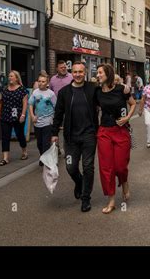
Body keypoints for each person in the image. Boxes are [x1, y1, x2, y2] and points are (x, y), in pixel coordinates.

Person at [51, 62, 98, 213]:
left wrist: (123, 89)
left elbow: (107, 96)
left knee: (88, 166)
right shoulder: (65, 92)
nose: (78, 74)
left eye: (81, 72)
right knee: (70, 167)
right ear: (72, 73)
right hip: (71, 138)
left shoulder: (92, 89)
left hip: (89, 135)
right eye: (75, 72)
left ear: (85, 73)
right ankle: (79, 182)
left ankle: (85, 199)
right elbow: (58, 114)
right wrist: (54, 134)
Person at [95, 64, 136, 214]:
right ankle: (111, 200)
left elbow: (132, 104)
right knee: (106, 167)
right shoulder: (97, 91)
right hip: (104, 131)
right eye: (97, 73)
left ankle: (124, 181)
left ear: (108, 74)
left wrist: (127, 117)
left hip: (121, 131)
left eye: (100, 72)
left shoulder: (121, 89)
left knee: (120, 166)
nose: (97, 75)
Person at [0, 70, 29, 166]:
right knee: (5, 137)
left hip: (18, 117)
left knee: (20, 135)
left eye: (12, 76)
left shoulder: (22, 90)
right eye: (9, 76)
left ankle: (24, 151)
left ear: (16, 78)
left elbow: (25, 104)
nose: (10, 78)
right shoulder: (4, 89)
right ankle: (5, 158)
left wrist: (23, 115)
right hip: (5, 116)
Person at [29, 71, 56, 166]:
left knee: (45, 143)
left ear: (47, 83)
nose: (41, 83)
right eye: (39, 81)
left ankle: (45, 160)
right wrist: (32, 116)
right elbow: (31, 105)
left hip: (48, 122)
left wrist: (53, 118)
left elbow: (55, 107)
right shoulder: (35, 92)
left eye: (43, 81)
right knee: (39, 143)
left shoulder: (51, 94)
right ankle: (42, 155)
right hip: (37, 122)